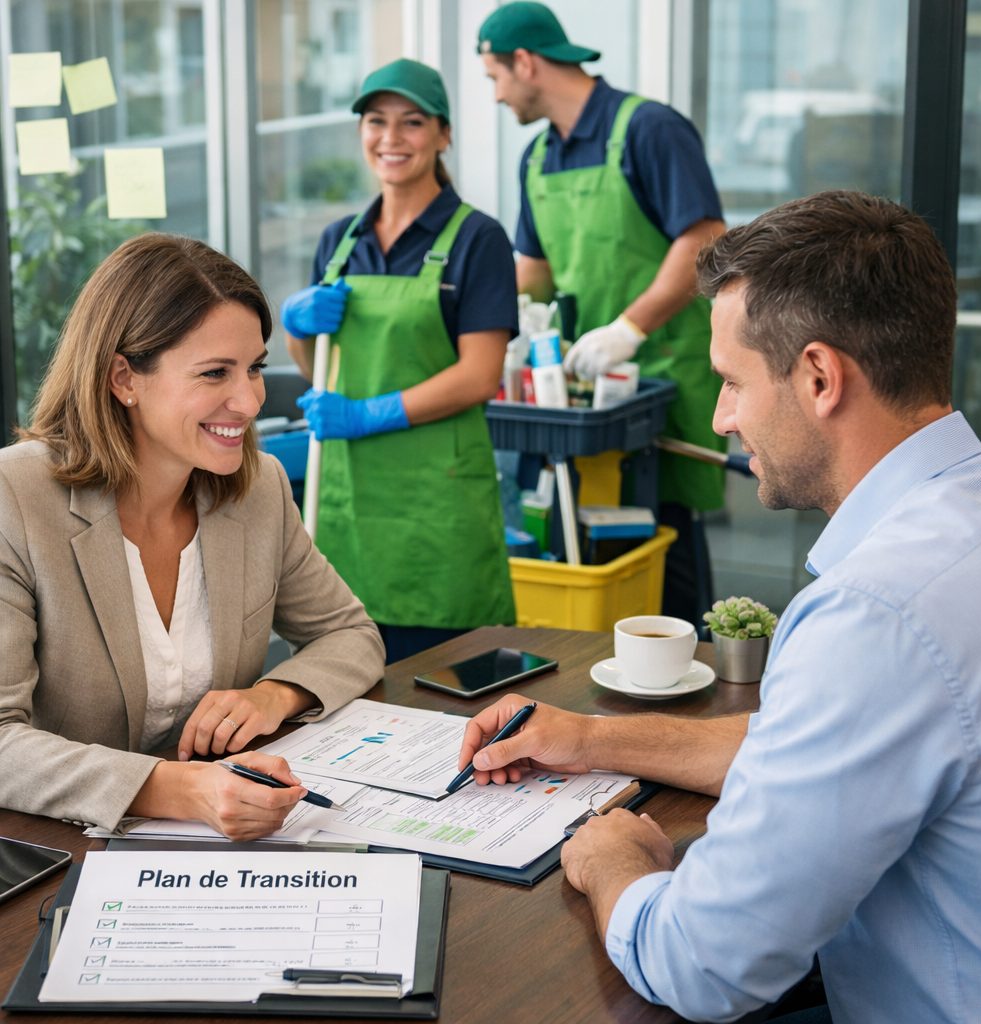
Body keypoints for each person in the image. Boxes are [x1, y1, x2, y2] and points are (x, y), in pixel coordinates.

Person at [455, 192, 981, 1023]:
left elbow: (704, 967)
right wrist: (590, 739)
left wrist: (613, 861)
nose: (722, 418)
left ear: (821, 377)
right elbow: (823, 748)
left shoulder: (877, 614)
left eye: (731, 382)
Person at [0, 233, 385, 841]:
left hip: (218, 850)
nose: (250, 399)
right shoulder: (14, 497)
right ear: (124, 378)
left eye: (255, 368)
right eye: (215, 373)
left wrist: (274, 695)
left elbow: (351, 634)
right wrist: (175, 789)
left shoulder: (256, 490)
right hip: (53, 855)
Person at [477, 1, 727, 625]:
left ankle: (694, 678)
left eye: (495, 77)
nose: (496, 95)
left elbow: (703, 240)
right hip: (585, 390)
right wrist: (480, 325)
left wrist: (629, 328)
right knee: (588, 532)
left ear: (527, 63)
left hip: (660, 376)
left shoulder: (648, 130)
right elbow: (533, 270)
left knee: (663, 532)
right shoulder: (537, 158)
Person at [283, 58, 516, 664]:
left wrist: (367, 415)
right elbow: (318, 369)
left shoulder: (477, 238)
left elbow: (480, 373)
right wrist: (295, 325)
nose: (391, 139)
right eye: (376, 121)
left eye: (411, 122)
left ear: (443, 135)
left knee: (448, 685)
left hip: (435, 506)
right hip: (350, 503)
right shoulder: (340, 240)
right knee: (348, 679)